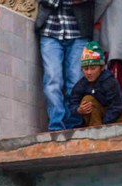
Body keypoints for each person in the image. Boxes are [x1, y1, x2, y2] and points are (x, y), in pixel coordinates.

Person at [37, 0, 95, 130]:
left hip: (79, 31)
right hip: (50, 31)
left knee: (76, 81)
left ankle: (73, 123)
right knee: (52, 80)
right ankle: (56, 125)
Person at [70, 40, 122, 126]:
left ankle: (112, 128)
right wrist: (78, 109)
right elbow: (73, 102)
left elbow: (117, 105)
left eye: (93, 68)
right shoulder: (81, 84)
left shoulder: (109, 81)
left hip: (112, 115)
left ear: (101, 68)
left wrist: (106, 123)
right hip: (95, 117)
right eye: (86, 69)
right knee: (87, 100)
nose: (89, 72)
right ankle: (96, 130)